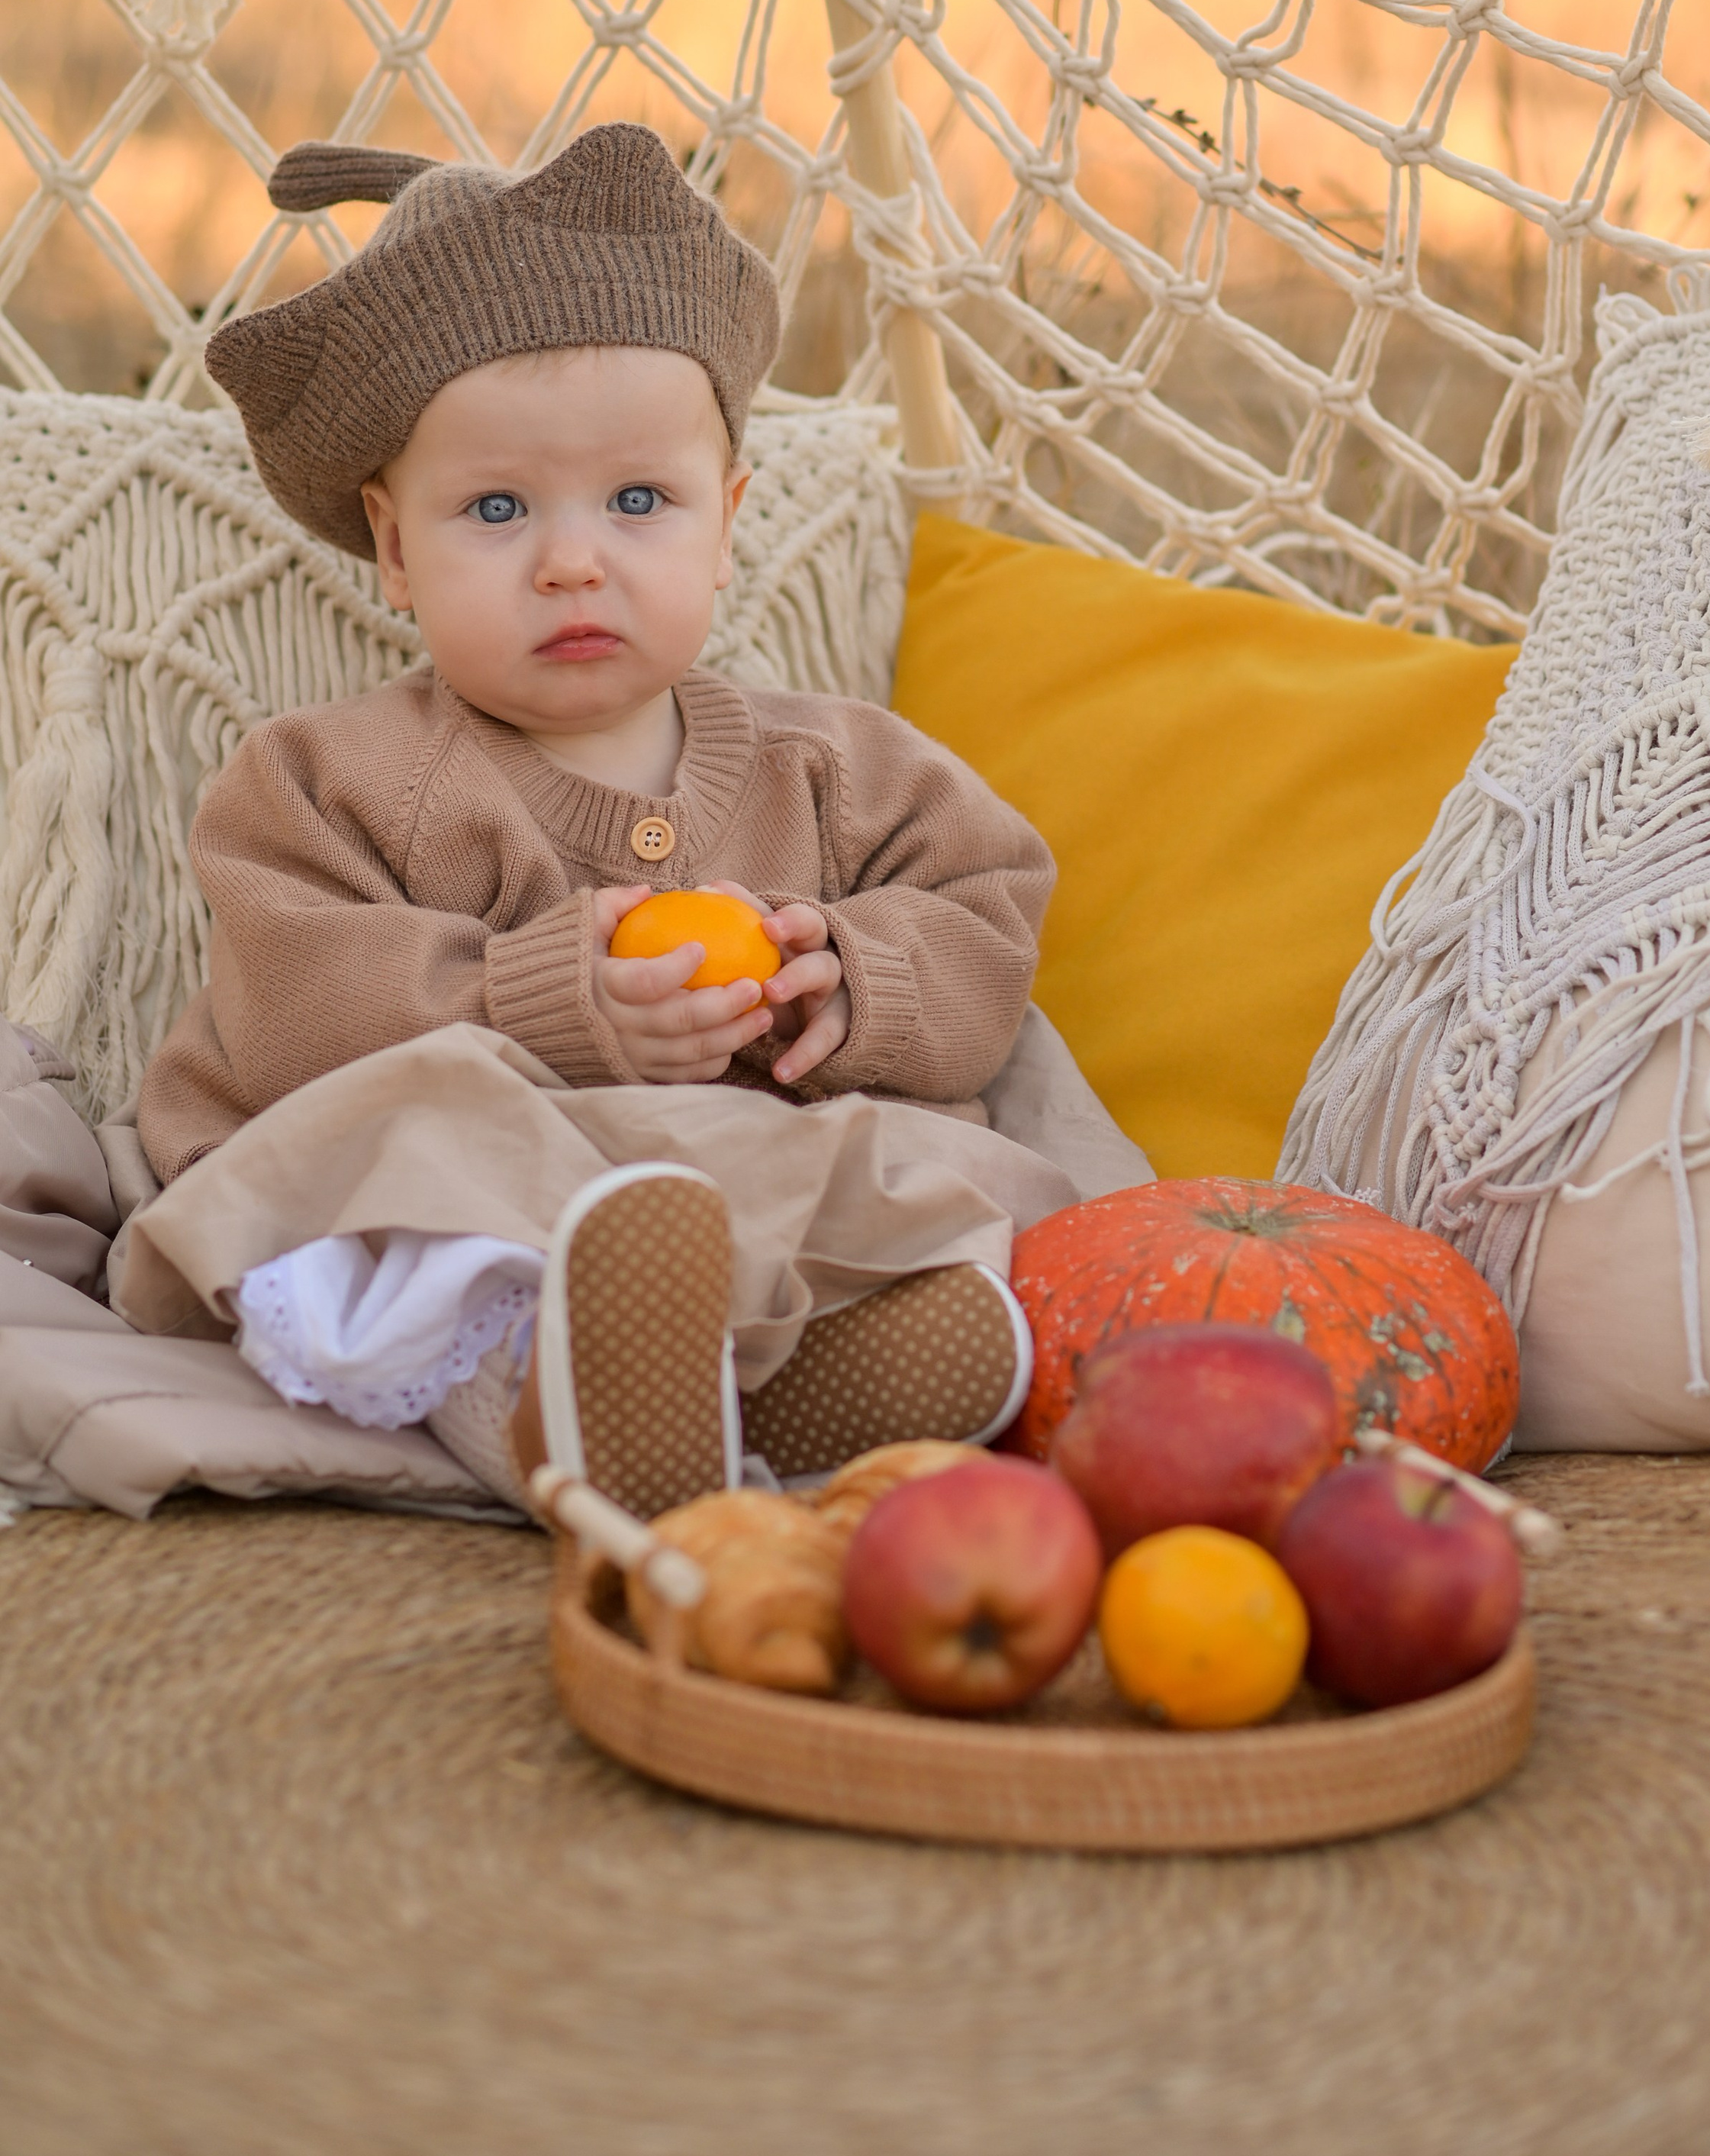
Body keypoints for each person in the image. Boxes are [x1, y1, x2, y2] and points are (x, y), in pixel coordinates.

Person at [113, 126, 1147, 1516]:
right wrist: (541, 1000)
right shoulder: (324, 779)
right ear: (397, 546)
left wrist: (857, 972)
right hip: (468, 1227)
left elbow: (987, 908)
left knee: (968, 1123)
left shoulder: (835, 769)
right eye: (495, 508)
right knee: (423, 1172)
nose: (573, 560)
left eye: (640, 501)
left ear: (725, 525)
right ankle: (561, 1422)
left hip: (749, 1208)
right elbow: (290, 1008)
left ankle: (776, 1388)